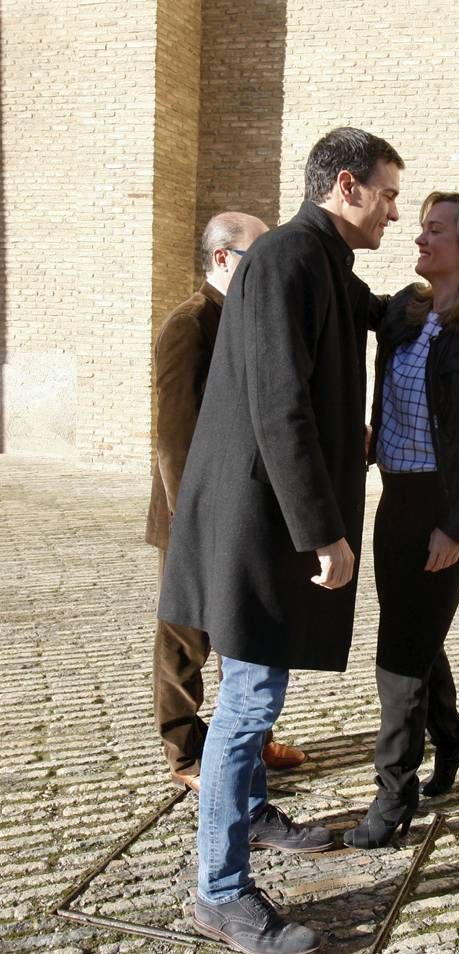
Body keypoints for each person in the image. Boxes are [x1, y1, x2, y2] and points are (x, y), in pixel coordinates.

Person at [157, 127, 404, 954]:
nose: (397, 213)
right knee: (250, 702)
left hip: (267, 521)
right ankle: (220, 891)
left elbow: (367, 312)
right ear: (347, 185)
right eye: (390, 194)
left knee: (255, 687)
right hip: (262, 524)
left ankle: (252, 812)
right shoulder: (290, 260)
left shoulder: (319, 261)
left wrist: (436, 295)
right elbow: (279, 409)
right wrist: (323, 532)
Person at [344, 192, 459, 849]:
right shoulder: (404, 310)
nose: (420, 240)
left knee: (399, 657)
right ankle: (453, 737)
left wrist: (457, 524)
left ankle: (394, 798)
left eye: (434, 231)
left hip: (445, 511)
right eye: (419, 227)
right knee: (415, 635)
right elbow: (345, 295)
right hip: (395, 502)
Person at [145, 212, 307, 793]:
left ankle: (253, 738)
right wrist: (192, 517)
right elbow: (174, 434)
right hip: (193, 513)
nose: (262, 272)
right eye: (253, 259)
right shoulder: (190, 324)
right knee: (185, 636)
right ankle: (185, 752)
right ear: (221, 259)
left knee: (242, 631)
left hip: (237, 513)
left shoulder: (246, 319)